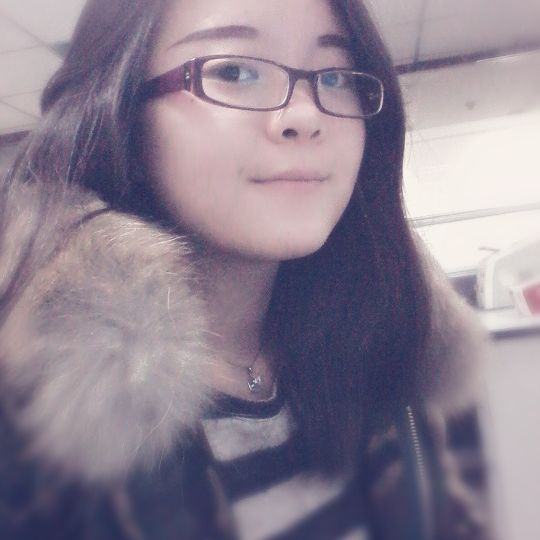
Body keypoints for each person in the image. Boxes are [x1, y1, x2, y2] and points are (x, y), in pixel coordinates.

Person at [0, 0, 493, 538]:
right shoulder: (32, 425)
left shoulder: (391, 333)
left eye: (335, 77)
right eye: (234, 71)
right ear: (121, 111)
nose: (305, 116)